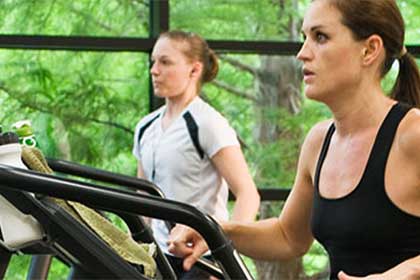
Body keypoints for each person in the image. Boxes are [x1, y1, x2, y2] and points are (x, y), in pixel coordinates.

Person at [167, 0, 420, 279]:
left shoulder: (412, 135)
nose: (302, 53)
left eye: (320, 37)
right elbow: (289, 236)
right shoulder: (319, 140)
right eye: (304, 38)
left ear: (370, 49)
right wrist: (216, 229)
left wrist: (407, 272)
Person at [132, 30, 260, 279]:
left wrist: (227, 257)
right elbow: (143, 194)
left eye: (165, 62)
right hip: (159, 255)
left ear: (194, 70)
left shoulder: (208, 124)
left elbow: (248, 194)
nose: (154, 70)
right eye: (153, 62)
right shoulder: (145, 127)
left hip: (203, 259)